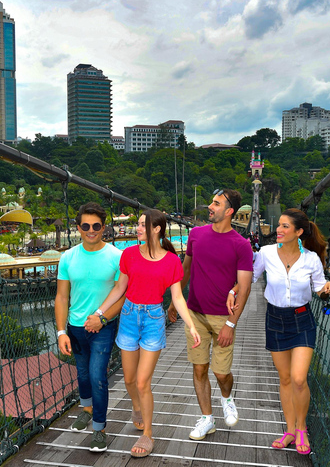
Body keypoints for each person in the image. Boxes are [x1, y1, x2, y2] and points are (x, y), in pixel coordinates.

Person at [86, 209, 201, 458]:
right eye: (137, 224)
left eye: (141, 225)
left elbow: (178, 297)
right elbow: (119, 288)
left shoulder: (171, 261)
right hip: (128, 317)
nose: (136, 228)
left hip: (152, 320)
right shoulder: (128, 254)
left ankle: (147, 434)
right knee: (128, 380)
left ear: (156, 229)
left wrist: (191, 325)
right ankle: (136, 406)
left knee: (142, 382)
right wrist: (99, 312)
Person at [247, 208, 330, 455]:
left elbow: (319, 287)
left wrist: (327, 286)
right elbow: (250, 277)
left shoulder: (311, 259)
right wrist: (232, 289)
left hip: (302, 320)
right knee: (285, 379)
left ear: (298, 232)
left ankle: (301, 428)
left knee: (299, 378)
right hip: (275, 319)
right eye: (279, 225)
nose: (279, 229)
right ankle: (289, 430)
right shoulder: (265, 253)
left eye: (285, 226)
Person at [168, 189, 253, 441]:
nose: (210, 206)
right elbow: (186, 268)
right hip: (194, 314)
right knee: (199, 368)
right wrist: (176, 301)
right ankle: (207, 419)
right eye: (211, 202)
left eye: (216, 204)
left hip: (222, 318)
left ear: (229, 211)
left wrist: (230, 324)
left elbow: (245, 287)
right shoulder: (195, 235)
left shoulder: (242, 245)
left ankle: (227, 398)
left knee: (221, 373)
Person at [55, 202, 123, 453]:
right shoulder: (68, 257)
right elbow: (62, 297)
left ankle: (99, 428)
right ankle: (86, 409)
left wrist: (103, 319)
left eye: (96, 226)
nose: (91, 230)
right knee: (82, 374)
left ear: (103, 227)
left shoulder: (116, 256)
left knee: (97, 376)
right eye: (86, 225)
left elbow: (121, 296)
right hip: (74, 327)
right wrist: (61, 331)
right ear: (78, 228)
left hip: (102, 328)